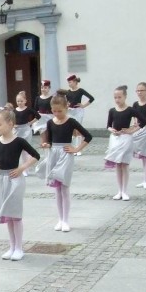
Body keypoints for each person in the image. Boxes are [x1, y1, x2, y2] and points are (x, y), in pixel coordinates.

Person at [0, 109, 41, 261]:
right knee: (7, 215)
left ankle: (19, 248)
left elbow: (36, 155)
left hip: (15, 180)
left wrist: (21, 168)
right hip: (1, 180)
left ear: (10, 124)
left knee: (15, 215)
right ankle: (11, 246)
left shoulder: (19, 141)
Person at [41, 92, 92, 232]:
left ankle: (66, 220)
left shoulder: (71, 121)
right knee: (57, 189)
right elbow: (49, 140)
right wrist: (46, 145)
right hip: (54, 155)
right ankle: (59, 218)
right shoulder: (50, 122)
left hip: (66, 154)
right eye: (54, 111)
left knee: (64, 187)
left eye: (60, 111)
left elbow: (88, 136)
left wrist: (76, 149)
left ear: (66, 108)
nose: (56, 113)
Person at [104, 85, 142, 201]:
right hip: (115, 139)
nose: (117, 100)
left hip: (126, 138)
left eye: (119, 97)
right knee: (117, 165)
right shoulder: (112, 110)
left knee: (124, 164)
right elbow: (108, 126)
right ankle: (119, 190)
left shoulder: (130, 110)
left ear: (125, 97)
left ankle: (125, 191)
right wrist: (112, 130)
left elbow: (143, 121)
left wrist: (132, 130)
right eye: (115, 97)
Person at [65, 75, 95, 155]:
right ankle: (73, 147)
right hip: (70, 111)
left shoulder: (80, 90)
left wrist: (83, 105)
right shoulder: (68, 92)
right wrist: (67, 106)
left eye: (70, 82)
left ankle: (78, 149)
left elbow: (91, 98)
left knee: (78, 129)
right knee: (73, 130)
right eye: (68, 82)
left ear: (75, 82)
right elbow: (67, 101)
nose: (69, 84)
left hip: (78, 111)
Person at [13, 91, 39, 176]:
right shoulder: (14, 111)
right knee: (18, 150)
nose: (19, 103)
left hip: (26, 130)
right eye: (18, 101)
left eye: (21, 101)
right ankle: (20, 167)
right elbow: (10, 119)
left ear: (25, 101)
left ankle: (26, 168)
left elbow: (38, 116)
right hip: (17, 131)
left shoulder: (28, 109)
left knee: (25, 150)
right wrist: (13, 125)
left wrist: (30, 123)